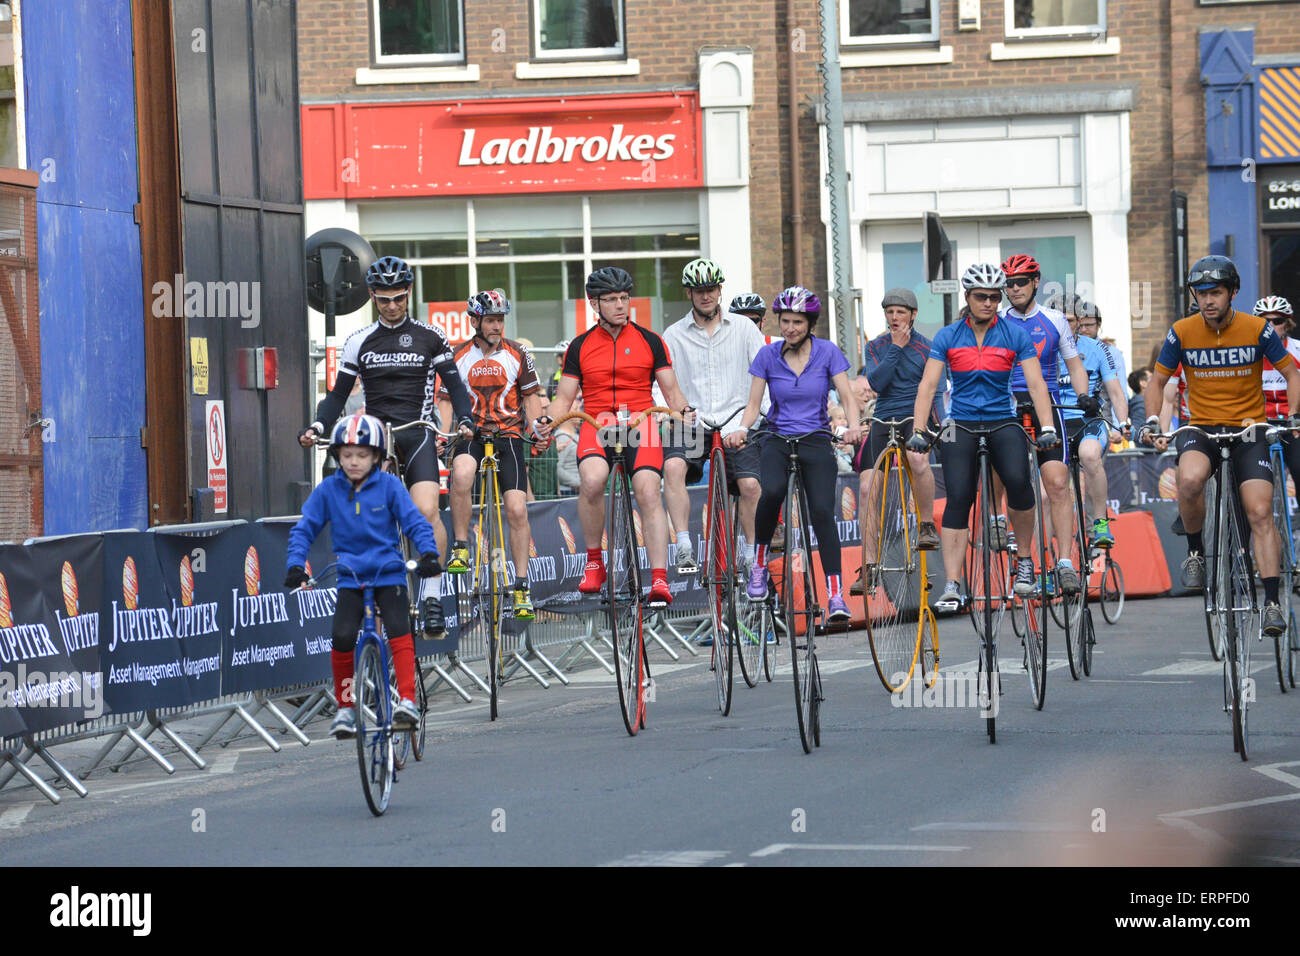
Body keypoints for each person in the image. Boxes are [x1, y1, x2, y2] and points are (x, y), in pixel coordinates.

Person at [297, 255, 473, 638]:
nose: (392, 305)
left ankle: (431, 594)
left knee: (426, 511)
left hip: (419, 430)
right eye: (383, 299)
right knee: (372, 516)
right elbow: (337, 394)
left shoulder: (431, 336)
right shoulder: (359, 341)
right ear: (372, 298)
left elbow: (457, 387)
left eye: (398, 297)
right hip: (378, 439)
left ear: (408, 293)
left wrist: (464, 419)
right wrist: (317, 424)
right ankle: (379, 588)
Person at [1139, 256, 1300, 638]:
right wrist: (1152, 421)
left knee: (1260, 510)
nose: (1208, 301)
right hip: (1202, 429)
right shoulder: (1182, 331)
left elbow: (1292, 373)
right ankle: (1195, 551)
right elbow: (1158, 383)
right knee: (1190, 480)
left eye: (1215, 293)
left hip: (1249, 431)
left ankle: (1273, 601)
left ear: (1232, 293)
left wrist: (1293, 414)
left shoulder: (1258, 330)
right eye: (1201, 293)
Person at [536, 267, 695, 607]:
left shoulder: (651, 341)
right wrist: (547, 419)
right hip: (598, 421)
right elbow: (563, 399)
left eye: (625, 298)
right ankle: (595, 562)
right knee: (592, 481)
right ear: (595, 304)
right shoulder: (579, 347)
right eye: (611, 300)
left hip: (640, 422)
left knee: (649, 490)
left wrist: (684, 411)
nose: (621, 305)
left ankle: (659, 579)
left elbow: (672, 392)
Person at [908, 264, 1060, 611]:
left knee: (1020, 482)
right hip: (958, 422)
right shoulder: (948, 336)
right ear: (968, 297)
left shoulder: (1014, 335)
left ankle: (1024, 562)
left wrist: (1047, 426)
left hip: (1001, 420)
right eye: (981, 297)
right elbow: (928, 385)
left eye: (995, 297)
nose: (989, 303)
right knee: (959, 496)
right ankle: (952, 584)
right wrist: (919, 430)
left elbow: (1035, 384)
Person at [285, 414, 441, 739]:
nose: (353, 462)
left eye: (362, 455)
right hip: (350, 577)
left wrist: (428, 553)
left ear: (376, 457)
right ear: (337, 456)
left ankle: (408, 703)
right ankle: (345, 707)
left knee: (399, 629)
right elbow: (304, 529)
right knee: (342, 636)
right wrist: (295, 565)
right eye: (346, 455)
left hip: (389, 574)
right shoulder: (328, 489)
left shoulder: (389, 486)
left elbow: (414, 521)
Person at [725, 286, 863, 623]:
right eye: (785, 321)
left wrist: (853, 427)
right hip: (776, 437)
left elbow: (847, 396)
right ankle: (758, 565)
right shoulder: (768, 356)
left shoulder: (828, 352)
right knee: (769, 491)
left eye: (797, 322)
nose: (790, 328)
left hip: (815, 437)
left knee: (821, 512)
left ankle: (835, 595)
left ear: (810, 323)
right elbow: (754, 405)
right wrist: (742, 428)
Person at [438, 290, 546, 621]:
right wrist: (443, 434)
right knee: (463, 472)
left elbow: (531, 398)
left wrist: (538, 428)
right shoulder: (457, 355)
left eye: (500, 320)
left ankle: (522, 586)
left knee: (516, 509)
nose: (497, 326)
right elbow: (444, 401)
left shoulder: (518, 353)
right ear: (476, 322)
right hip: (472, 434)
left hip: (509, 436)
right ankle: (459, 545)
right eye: (491, 320)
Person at [658, 259, 766, 575]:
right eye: (699, 291)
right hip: (693, 419)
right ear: (689, 293)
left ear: (720, 291)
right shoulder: (674, 334)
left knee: (749, 485)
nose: (706, 296)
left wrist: (758, 416)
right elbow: (662, 382)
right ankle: (684, 545)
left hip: (737, 420)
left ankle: (749, 550)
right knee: (673, 467)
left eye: (711, 290)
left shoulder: (745, 328)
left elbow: (764, 374)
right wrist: (666, 415)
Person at [998, 254, 1092, 594]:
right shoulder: (997, 322)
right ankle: (999, 522)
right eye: (1008, 283)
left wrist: (1083, 395)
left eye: (1020, 282)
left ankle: (1064, 562)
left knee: (1056, 482)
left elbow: (1075, 364)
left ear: (1036, 282)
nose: (1014, 289)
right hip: (1006, 404)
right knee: (1008, 475)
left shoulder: (1054, 320)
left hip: (1046, 406)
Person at [854, 287, 941, 596]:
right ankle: (868, 566)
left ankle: (927, 524)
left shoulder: (928, 347)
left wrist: (939, 427)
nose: (894, 317)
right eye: (889, 312)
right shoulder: (876, 346)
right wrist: (895, 347)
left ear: (913, 315)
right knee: (866, 488)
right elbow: (876, 383)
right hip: (883, 417)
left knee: (918, 459)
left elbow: (935, 391)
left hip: (915, 414)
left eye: (900, 312)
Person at [1050, 293, 1130, 549]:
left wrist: (1124, 421)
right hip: (1053, 423)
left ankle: (1099, 522)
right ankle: (1049, 562)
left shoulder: (1097, 348)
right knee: (1045, 493)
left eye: (1071, 320)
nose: (1064, 325)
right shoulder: (1038, 348)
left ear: (1080, 320)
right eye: (1058, 320)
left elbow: (1116, 391)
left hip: (1087, 421)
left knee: (1089, 455)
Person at [1257, 296, 1300, 492]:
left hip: (1292, 421)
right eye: (1265, 321)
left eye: (1277, 321)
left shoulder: (1297, 351)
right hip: (1260, 421)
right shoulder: (1252, 353)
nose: (1271, 326)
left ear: (1287, 324)